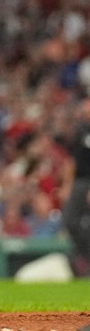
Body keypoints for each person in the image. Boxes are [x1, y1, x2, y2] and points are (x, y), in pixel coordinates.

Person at [63, 98, 90, 277]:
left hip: (87, 182)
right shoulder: (80, 129)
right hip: (79, 181)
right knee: (70, 219)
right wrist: (67, 183)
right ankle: (86, 258)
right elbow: (74, 159)